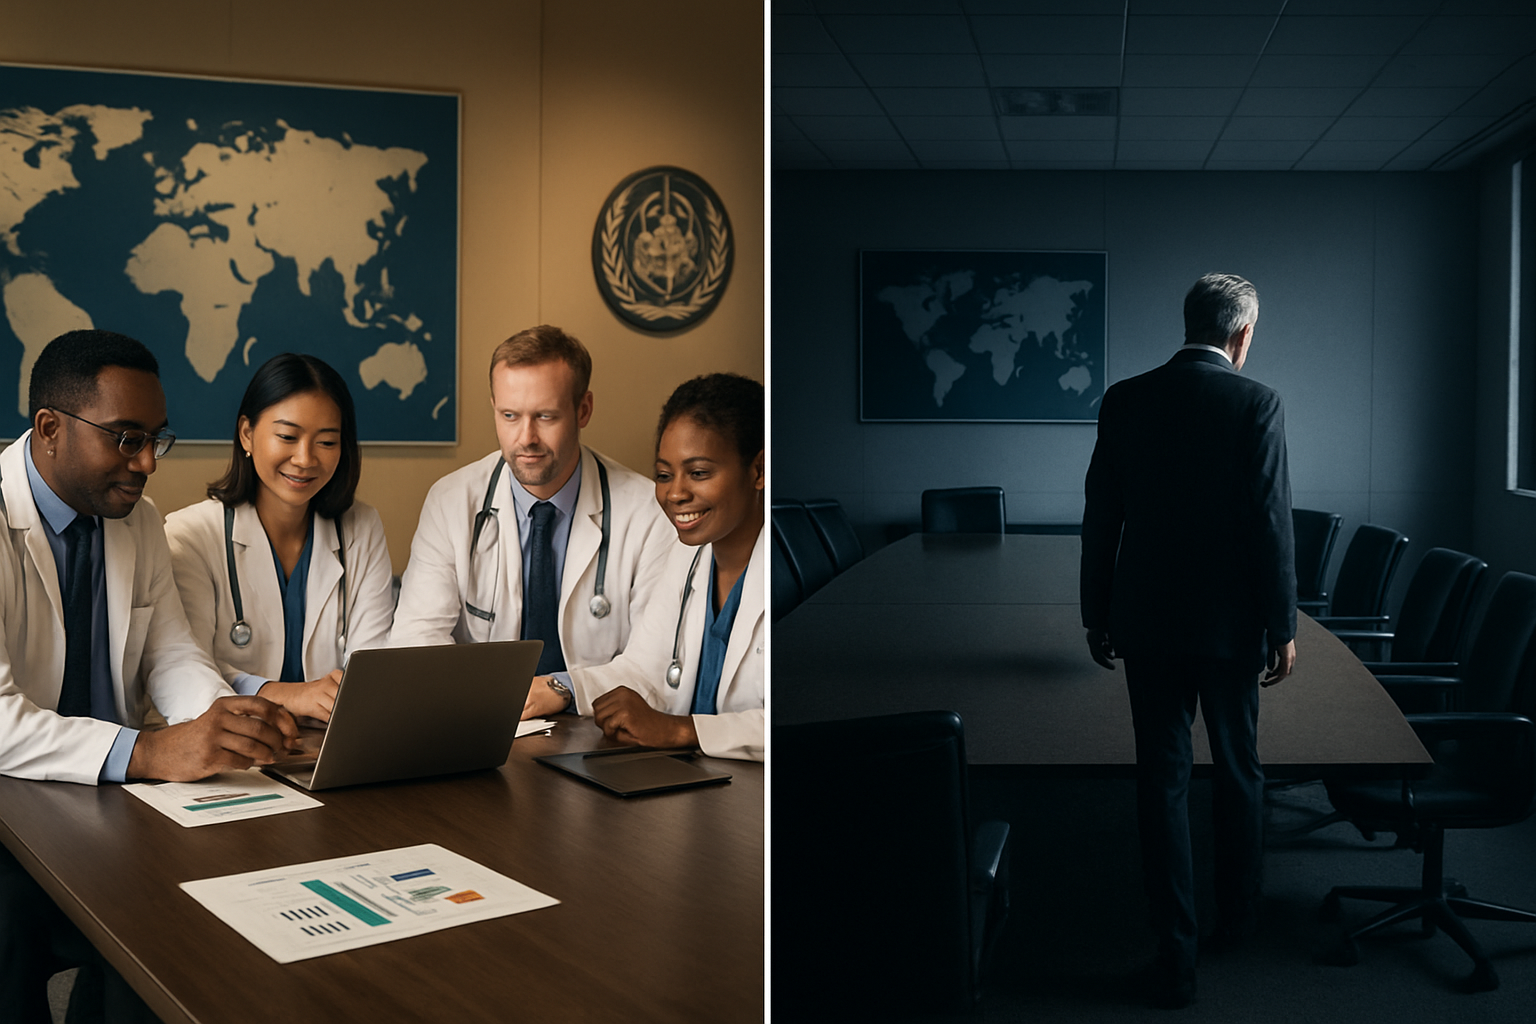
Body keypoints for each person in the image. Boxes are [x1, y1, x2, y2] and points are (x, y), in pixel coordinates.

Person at [0, 329, 297, 1021]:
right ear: (50, 429)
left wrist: (226, 724)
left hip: (110, 800)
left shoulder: (134, 517)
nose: (146, 464)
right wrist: (148, 750)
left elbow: (173, 656)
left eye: (155, 439)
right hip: (14, 803)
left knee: (177, 931)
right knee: (11, 927)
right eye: (126, 438)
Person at [1079, 273, 1296, 1009]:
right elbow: (1270, 521)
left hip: (1146, 620)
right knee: (1239, 768)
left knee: (1161, 780)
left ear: (1188, 323)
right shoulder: (1255, 401)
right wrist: (1283, 624)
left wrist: (1095, 610)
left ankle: (1174, 954)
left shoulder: (1126, 399)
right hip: (1232, 626)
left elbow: (1101, 513)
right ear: (1242, 334)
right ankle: (1238, 920)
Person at [391, 325, 674, 716]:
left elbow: (653, 662)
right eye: (509, 415)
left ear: (583, 409)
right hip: (480, 720)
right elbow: (414, 641)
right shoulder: (452, 501)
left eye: (545, 416)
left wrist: (565, 687)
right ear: (494, 406)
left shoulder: (647, 512)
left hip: (599, 730)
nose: (526, 438)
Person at [164, 353, 396, 722]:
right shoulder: (190, 534)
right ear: (247, 434)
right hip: (234, 747)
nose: (305, 459)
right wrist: (287, 696)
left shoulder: (360, 527)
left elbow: (373, 662)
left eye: (327, 442)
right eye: (288, 436)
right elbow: (182, 668)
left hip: (329, 742)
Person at [561, 373, 765, 761]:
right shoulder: (687, 554)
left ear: (758, 470)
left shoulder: (789, 572)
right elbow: (644, 669)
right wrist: (560, 689)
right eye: (664, 475)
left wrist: (681, 730)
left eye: (699, 473)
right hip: (693, 781)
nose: (675, 494)